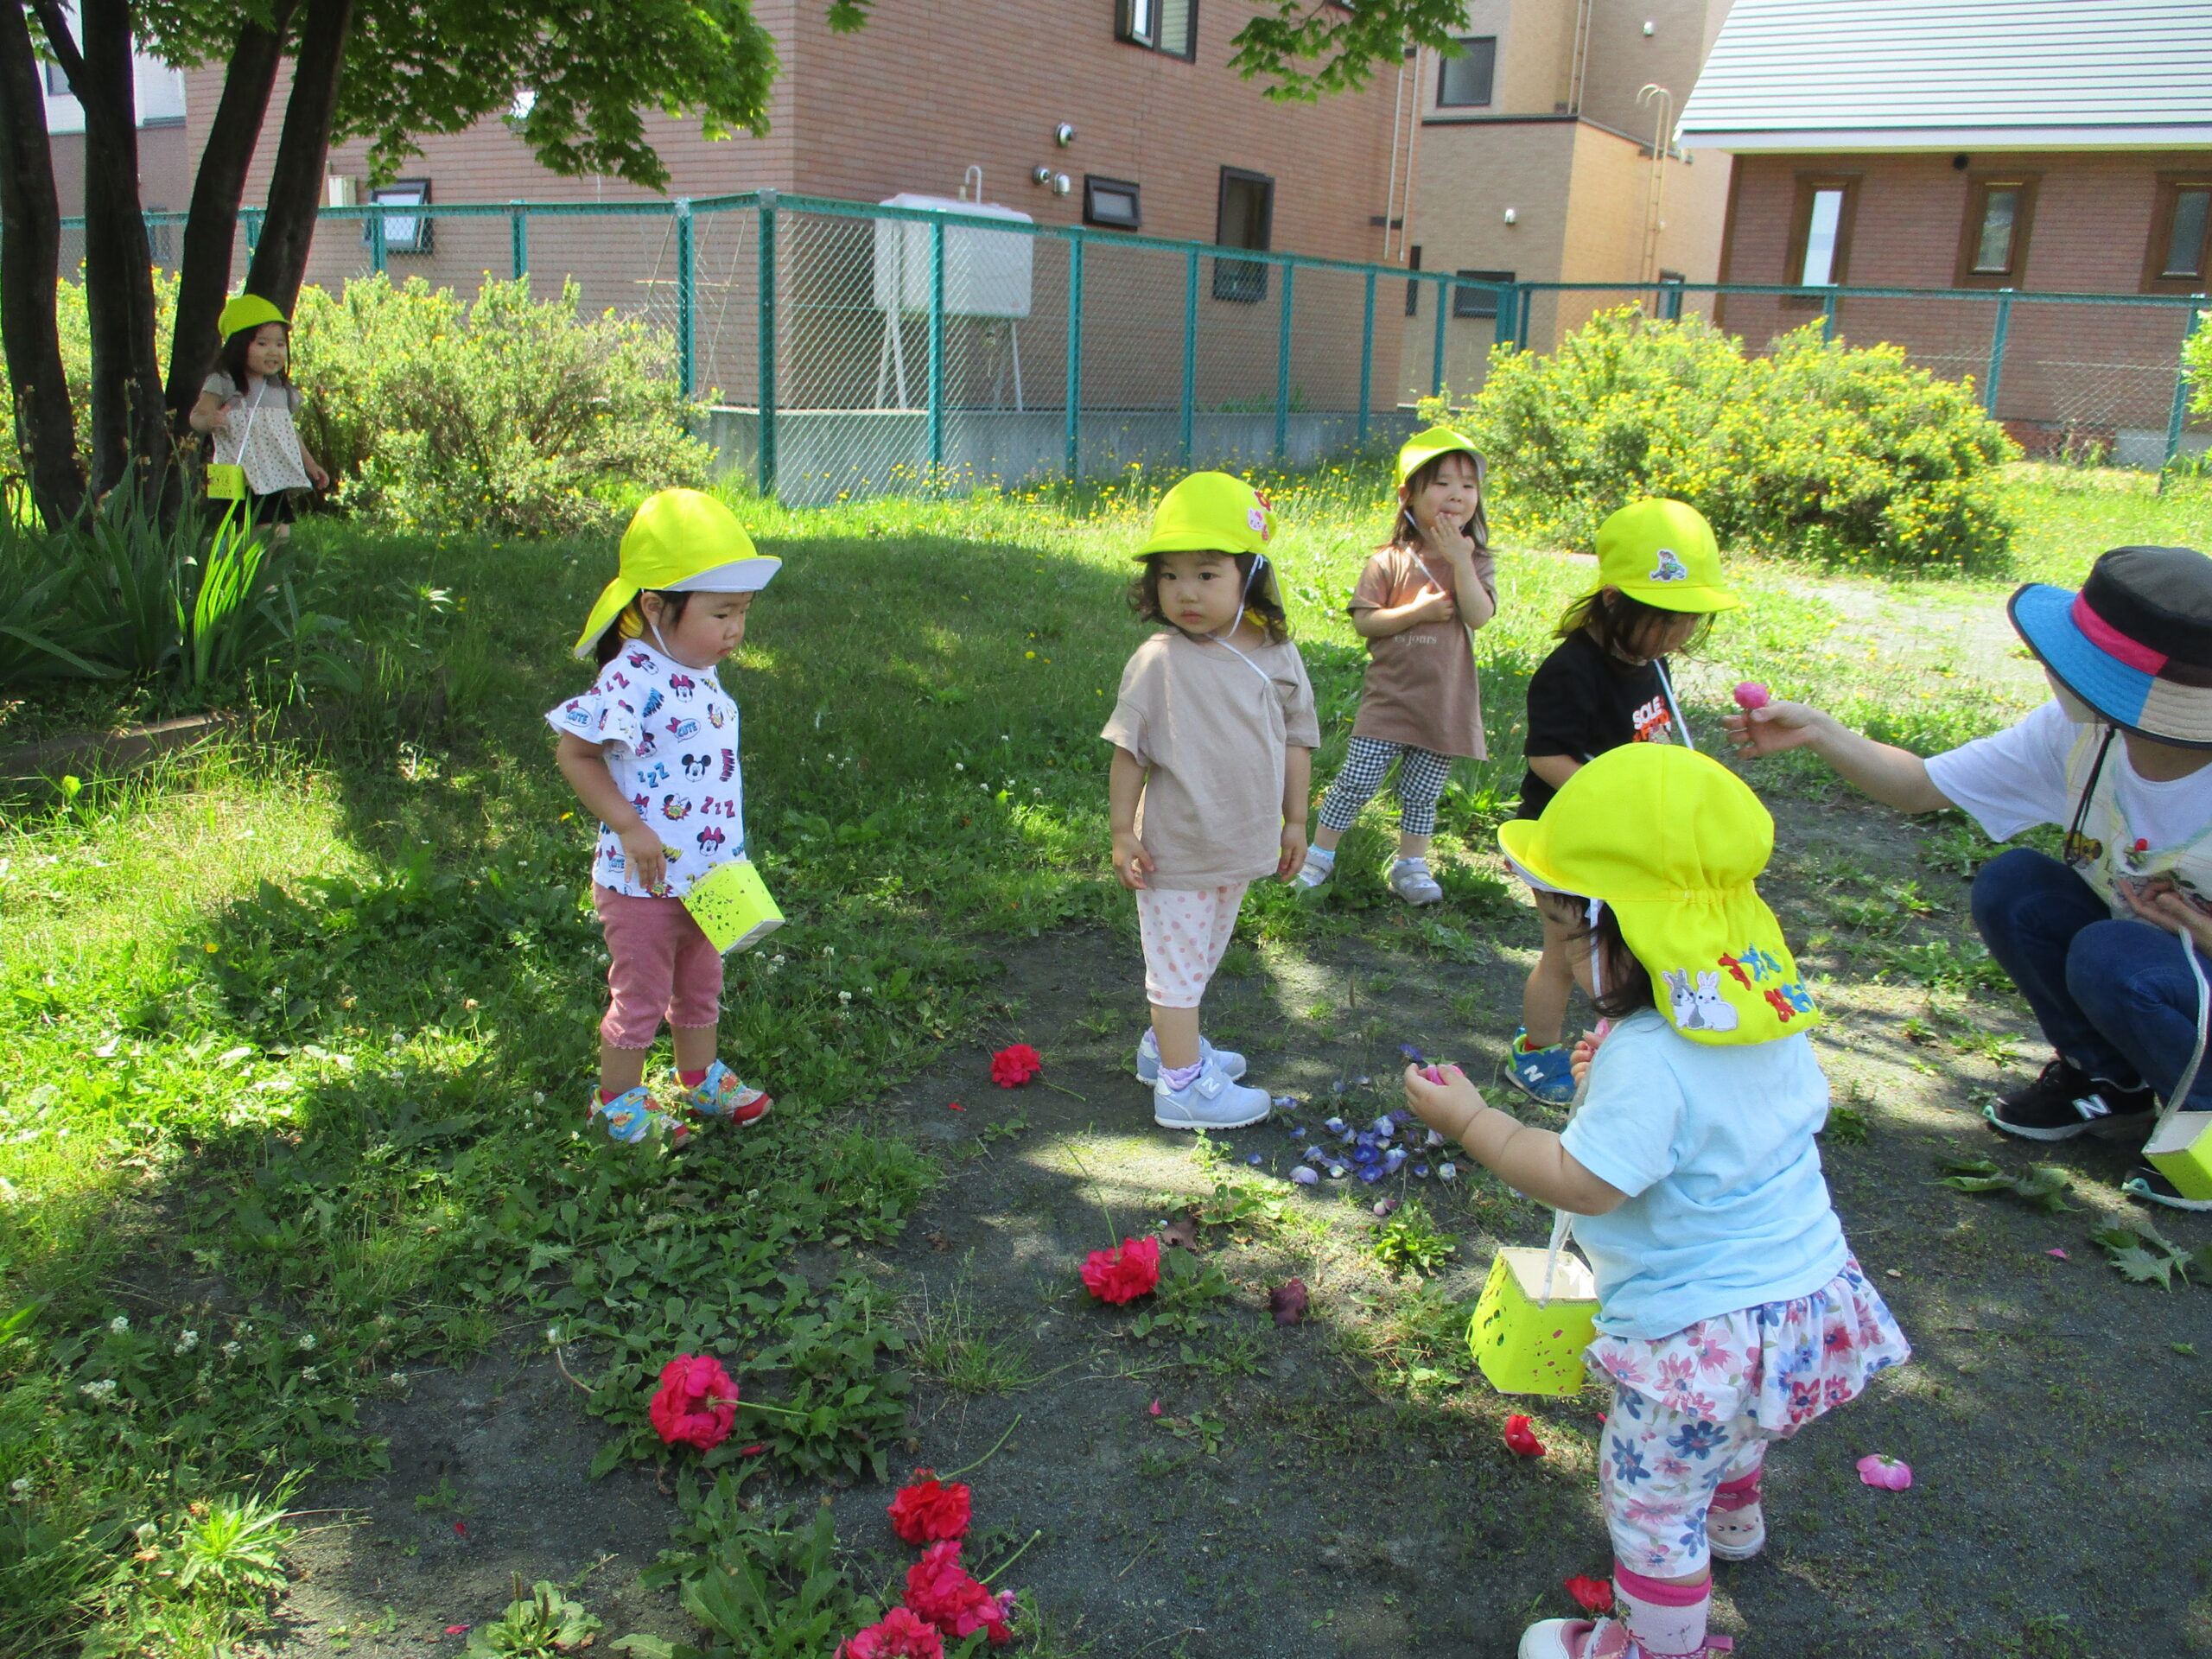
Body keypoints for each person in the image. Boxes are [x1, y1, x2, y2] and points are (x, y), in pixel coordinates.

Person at [1404, 743, 1910, 1659]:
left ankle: (1653, 1647)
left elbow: (1583, 1181)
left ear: (1626, 931)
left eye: (1567, 934)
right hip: (1798, 1301)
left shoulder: (1647, 1059)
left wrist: (1473, 1121)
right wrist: (1610, 1083)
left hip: (1700, 1328)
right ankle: (1733, 1517)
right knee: (1732, 1430)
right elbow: (1717, 1121)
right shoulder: (1762, 1009)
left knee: (1647, 1505)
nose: (1560, 957)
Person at [1726, 543, 2212, 1209]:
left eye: (2071, 658)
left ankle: (2204, 1126)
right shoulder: (2079, 734)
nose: (2047, 664)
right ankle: (2109, 1083)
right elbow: (1920, 786)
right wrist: (1819, 731)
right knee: (2017, 887)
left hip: (2170, 965)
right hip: (2157, 964)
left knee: (2113, 953)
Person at [547, 488, 782, 1148]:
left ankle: (698, 1077)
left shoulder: (696, 667)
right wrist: (629, 825)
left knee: (702, 984)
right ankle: (616, 1103)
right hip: (643, 883)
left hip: (709, 875)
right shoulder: (632, 678)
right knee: (643, 995)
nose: (735, 629)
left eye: (743, 612)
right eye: (721, 613)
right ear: (654, 607)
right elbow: (575, 753)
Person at [1505, 499, 1741, 1105]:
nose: (1679, 637)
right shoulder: (1571, 671)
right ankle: (1537, 1053)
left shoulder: (1649, 662)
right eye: (1666, 622)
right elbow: (1547, 757)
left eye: (1691, 621)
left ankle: (1615, 1053)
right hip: (1566, 843)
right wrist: (1619, 800)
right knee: (1570, 957)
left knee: (1621, 955)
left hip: (1630, 842)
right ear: (1613, 600)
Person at [1104, 472, 1319, 1130]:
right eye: (1170, 576)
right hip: (1176, 851)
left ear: (1249, 574)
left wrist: (1295, 821)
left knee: (1198, 960)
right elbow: (1129, 751)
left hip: (1239, 844)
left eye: (1206, 573)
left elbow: (1298, 740)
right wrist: (1122, 831)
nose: (1186, 592)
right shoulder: (1158, 660)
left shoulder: (1276, 654)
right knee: (1175, 970)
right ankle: (1181, 1088)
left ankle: (1164, 1047)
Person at [1295, 426, 1496, 905]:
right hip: (1390, 698)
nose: (1457, 494)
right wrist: (1417, 612)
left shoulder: (1476, 560)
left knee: (1423, 792)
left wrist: (1461, 562)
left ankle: (1411, 865)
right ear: (1408, 495)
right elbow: (1366, 622)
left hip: (1442, 703)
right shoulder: (1388, 561)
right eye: (1442, 482)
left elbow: (1479, 615)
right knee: (1357, 780)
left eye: (1468, 485)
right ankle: (1319, 854)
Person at [187, 293, 328, 537]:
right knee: (248, 533)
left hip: (273, 473)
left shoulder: (280, 389)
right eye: (262, 344)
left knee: (279, 534)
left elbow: (288, 432)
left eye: (280, 344)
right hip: (238, 473)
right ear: (238, 346)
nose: (273, 352)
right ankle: (227, 557)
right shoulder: (224, 382)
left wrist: (310, 464)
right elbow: (197, 415)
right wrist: (209, 421)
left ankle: (247, 562)